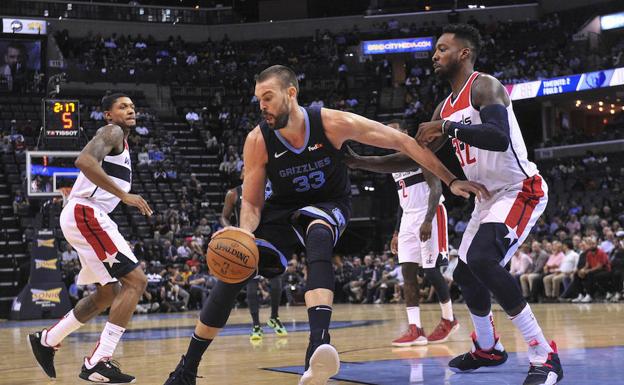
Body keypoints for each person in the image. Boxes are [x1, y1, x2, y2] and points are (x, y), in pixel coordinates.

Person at [163, 64, 486, 385]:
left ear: (291, 93)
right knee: (236, 270)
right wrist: (244, 234)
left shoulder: (332, 122)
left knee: (318, 233)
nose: (262, 106)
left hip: (330, 203)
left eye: (268, 97)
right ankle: (186, 369)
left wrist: (451, 179)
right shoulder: (257, 140)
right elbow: (252, 202)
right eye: (258, 99)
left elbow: (405, 144)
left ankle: (317, 347)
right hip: (282, 209)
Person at [349, 24, 563, 384]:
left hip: (519, 188)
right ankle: (488, 347)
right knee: (465, 273)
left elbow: (497, 138)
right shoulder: (444, 106)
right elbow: (413, 158)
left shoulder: (485, 86)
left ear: (463, 53)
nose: (435, 55)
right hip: (486, 196)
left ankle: (544, 355)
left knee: (482, 259)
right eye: (435, 49)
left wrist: (446, 128)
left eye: (443, 49)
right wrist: (360, 162)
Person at [28, 93, 153, 384]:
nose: (130, 110)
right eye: (123, 106)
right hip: (87, 213)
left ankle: (48, 339)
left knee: (109, 292)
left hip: (83, 214)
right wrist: (124, 195)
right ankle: (99, 361)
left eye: (132, 106)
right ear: (108, 115)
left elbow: (90, 171)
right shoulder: (112, 131)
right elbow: (84, 160)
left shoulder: (120, 142)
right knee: (137, 281)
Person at [345, 120, 459, 346]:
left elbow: (436, 187)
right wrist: (397, 231)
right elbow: (401, 200)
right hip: (408, 217)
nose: (389, 135)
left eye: (393, 131)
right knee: (407, 271)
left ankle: (449, 319)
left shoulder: (419, 152)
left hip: (431, 211)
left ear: (405, 133)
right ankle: (415, 328)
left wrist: (428, 219)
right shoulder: (394, 163)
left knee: (431, 270)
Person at [219, 169, 287, 342]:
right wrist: (231, 230)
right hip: (247, 243)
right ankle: (256, 325)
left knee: (277, 281)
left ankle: (274, 317)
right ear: (242, 175)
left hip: (269, 241)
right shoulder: (233, 194)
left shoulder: (271, 190)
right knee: (251, 284)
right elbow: (224, 217)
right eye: (245, 169)